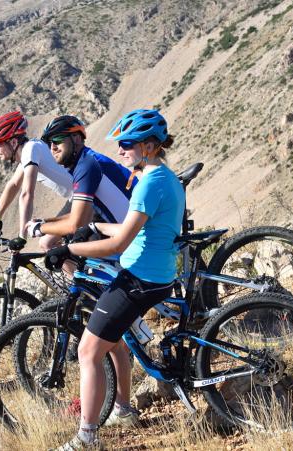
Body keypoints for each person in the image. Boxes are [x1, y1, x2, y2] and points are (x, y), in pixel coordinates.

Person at [48, 109, 185, 450]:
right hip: (156, 273)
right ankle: (122, 408)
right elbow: (130, 228)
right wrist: (95, 226)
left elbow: (119, 244)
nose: (120, 150)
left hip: (139, 278)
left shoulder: (148, 184)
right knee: (112, 340)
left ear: (149, 146)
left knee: (88, 352)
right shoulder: (163, 177)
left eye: (127, 144)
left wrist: (70, 248)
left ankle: (86, 437)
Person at [23, 115, 135, 253]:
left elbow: (75, 224)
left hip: (137, 241)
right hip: (130, 234)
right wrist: (47, 221)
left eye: (57, 140)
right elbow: (84, 215)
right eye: (49, 143)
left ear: (76, 138)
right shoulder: (85, 162)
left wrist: (39, 228)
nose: (53, 147)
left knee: (65, 252)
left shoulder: (86, 165)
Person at [0, 111, 74, 240]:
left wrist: (22, 236)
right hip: (75, 199)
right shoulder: (28, 152)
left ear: (13, 142)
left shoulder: (30, 149)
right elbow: (14, 184)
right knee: (49, 241)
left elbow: (27, 193)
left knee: (47, 242)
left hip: (87, 199)